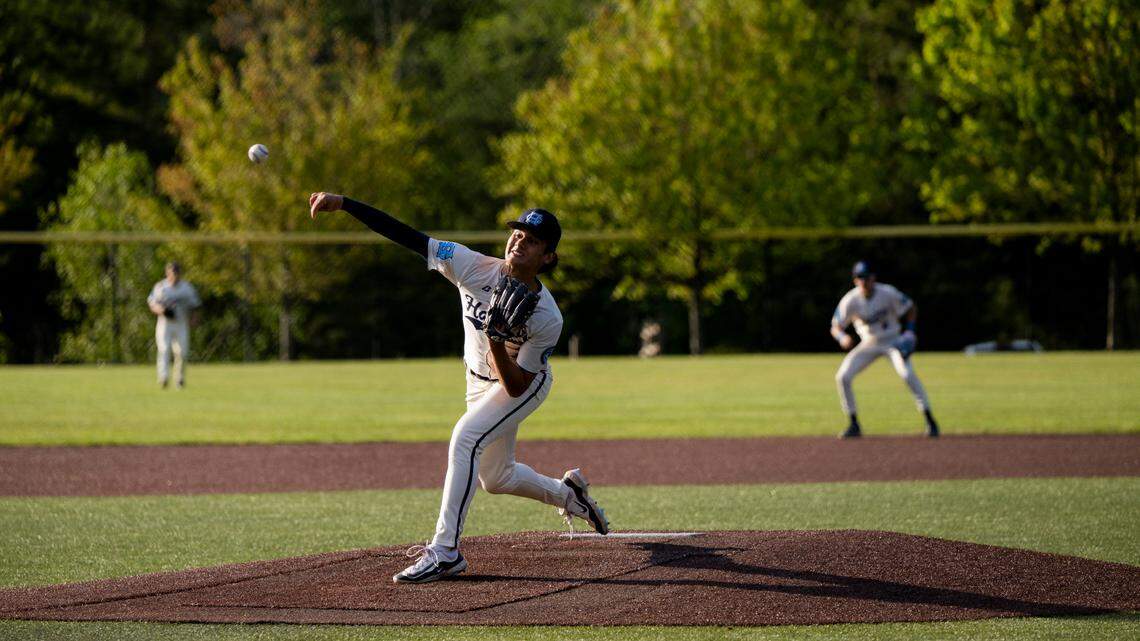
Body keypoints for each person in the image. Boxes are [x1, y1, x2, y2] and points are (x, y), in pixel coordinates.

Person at [308, 192, 610, 584]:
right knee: (496, 478)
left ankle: (445, 551)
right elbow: (409, 237)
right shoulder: (472, 265)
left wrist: (498, 341)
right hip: (476, 380)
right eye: (517, 234)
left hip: (524, 385)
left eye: (532, 240)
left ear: (548, 257)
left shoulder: (547, 316)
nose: (519, 241)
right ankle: (568, 494)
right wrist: (346, 204)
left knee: (465, 438)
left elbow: (517, 387)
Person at [829, 261, 939, 438]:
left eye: (867, 277)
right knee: (842, 376)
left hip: (892, 340)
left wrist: (910, 331)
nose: (864, 281)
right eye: (860, 278)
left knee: (907, 374)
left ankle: (930, 420)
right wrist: (842, 337)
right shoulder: (851, 300)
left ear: (874, 277)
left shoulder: (887, 293)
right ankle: (854, 424)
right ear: (855, 280)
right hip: (868, 343)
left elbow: (910, 308)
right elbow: (835, 326)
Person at [146, 261, 201, 389]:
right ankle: (163, 377)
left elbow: (196, 305)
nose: (174, 274)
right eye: (172, 271)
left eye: (177, 272)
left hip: (181, 322)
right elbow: (152, 304)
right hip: (165, 323)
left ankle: (180, 379)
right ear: (167, 272)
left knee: (182, 352)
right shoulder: (161, 287)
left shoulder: (187, 288)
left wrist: (194, 319)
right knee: (164, 349)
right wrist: (162, 310)